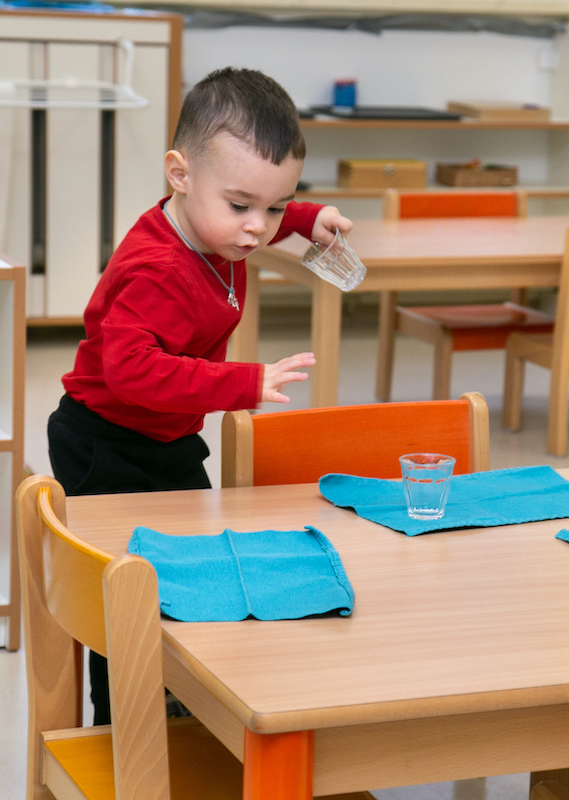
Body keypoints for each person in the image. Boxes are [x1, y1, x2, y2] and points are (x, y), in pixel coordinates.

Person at [47, 66, 352, 725]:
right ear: (179, 175)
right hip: (106, 441)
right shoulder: (158, 268)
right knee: (123, 589)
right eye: (243, 207)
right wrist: (243, 382)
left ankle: (181, 690)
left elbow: (257, 205)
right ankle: (123, 716)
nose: (256, 229)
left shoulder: (213, 224)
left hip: (165, 434)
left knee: (188, 563)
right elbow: (131, 372)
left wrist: (305, 218)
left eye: (274, 206)